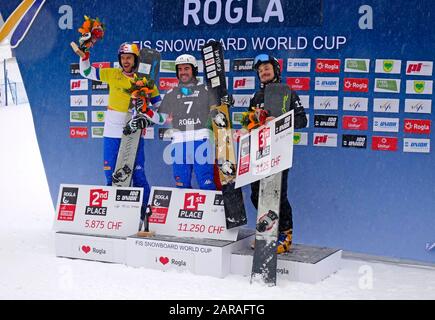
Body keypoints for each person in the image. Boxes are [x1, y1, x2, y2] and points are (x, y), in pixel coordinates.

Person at [79, 42, 164, 214]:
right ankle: (115, 215)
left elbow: (162, 115)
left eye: (129, 58)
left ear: (136, 60)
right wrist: (85, 57)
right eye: (123, 58)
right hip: (111, 133)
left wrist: (147, 114)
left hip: (134, 133)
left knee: (138, 175)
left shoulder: (148, 82)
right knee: (112, 176)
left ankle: (144, 216)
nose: (125, 61)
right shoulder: (112, 73)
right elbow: (87, 72)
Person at [247, 54, 307, 253]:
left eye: (267, 68)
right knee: (257, 195)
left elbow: (302, 121)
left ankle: (285, 234)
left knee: (278, 195)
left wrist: (278, 122)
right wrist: (248, 125)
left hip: (279, 151)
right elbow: (248, 123)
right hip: (259, 151)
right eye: (260, 70)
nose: (264, 72)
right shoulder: (256, 97)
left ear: (276, 70)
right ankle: (267, 232)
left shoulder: (287, 91)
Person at [157, 54, 216, 190]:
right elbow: (160, 118)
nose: (183, 72)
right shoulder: (171, 93)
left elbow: (219, 112)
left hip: (201, 139)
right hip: (179, 141)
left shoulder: (206, 90)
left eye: (186, 68)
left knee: (206, 183)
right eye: (180, 69)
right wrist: (145, 114)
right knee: (181, 185)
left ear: (194, 70)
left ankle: (209, 211)